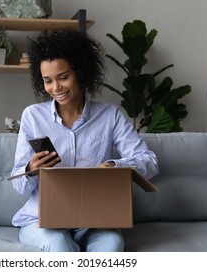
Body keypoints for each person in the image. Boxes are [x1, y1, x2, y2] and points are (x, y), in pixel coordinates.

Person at [11, 30, 159, 252]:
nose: (56, 87)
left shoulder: (110, 115)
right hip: (42, 220)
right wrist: (31, 169)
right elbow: (19, 185)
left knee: (113, 244)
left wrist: (113, 166)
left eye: (63, 77)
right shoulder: (33, 116)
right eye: (47, 81)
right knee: (58, 242)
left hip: (94, 220)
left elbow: (149, 162)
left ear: (80, 72)